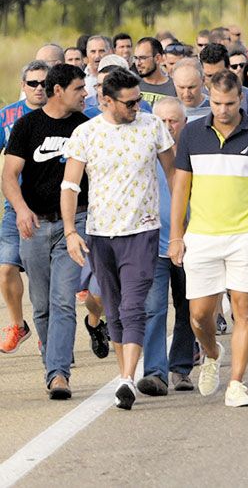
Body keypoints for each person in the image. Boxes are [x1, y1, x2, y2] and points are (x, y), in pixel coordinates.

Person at [169, 70, 248, 407]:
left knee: (244, 311)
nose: (223, 110)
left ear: (241, 99)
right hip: (202, 236)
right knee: (199, 315)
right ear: (209, 98)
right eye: (217, 103)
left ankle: (236, 384)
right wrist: (176, 235)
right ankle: (212, 353)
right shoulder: (193, 133)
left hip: (246, 234)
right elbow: (181, 187)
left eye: (230, 103)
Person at [61, 67, 175, 409]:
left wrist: (184, 225)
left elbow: (173, 175)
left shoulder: (153, 126)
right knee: (114, 308)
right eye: (129, 103)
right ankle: (123, 371)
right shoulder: (85, 133)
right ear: (105, 100)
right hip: (100, 234)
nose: (136, 107)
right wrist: (70, 232)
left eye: (138, 99)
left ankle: (126, 379)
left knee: (134, 304)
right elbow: (70, 185)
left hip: (143, 230)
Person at [1, 64, 90, 399]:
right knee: (41, 304)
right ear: (59, 91)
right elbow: (9, 175)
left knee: (63, 299)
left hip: (75, 224)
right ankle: (52, 358)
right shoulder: (27, 126)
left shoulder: (85, 126)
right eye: (79, 88)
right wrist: (22, 210)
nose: (85, 93)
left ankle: (58, 374)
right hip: (34, 224)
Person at [142, 98, 196, 393]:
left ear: (183, 123)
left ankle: (181, 368)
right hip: (154, 245)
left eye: (173, 121)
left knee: (189, 309)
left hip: (190, 246)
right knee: (154, 308)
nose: (167, 126)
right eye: (161, 121)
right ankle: (155, 372)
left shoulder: (193, 155)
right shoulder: (144, 158)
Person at [0, 61, 49, 354]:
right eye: (33, 83)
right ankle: (18, 324)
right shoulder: (7, 117)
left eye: (44, 83)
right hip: (15, 207)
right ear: (23, 86)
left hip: (50, 209)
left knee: (45, 280)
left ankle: (50, 335)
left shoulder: (61, 114)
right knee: (6, 269)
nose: (39, 88)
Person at [198, 43, 248, 123]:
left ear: (228, 68)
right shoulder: (195, 97)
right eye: (209, 75)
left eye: (219, 75)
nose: (214, 80)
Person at [132, 38, 177, 105]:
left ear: (157, 58)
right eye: (136, 58)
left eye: (143, 58)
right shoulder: (132, 85)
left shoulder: (175, 87)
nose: (138, 63)